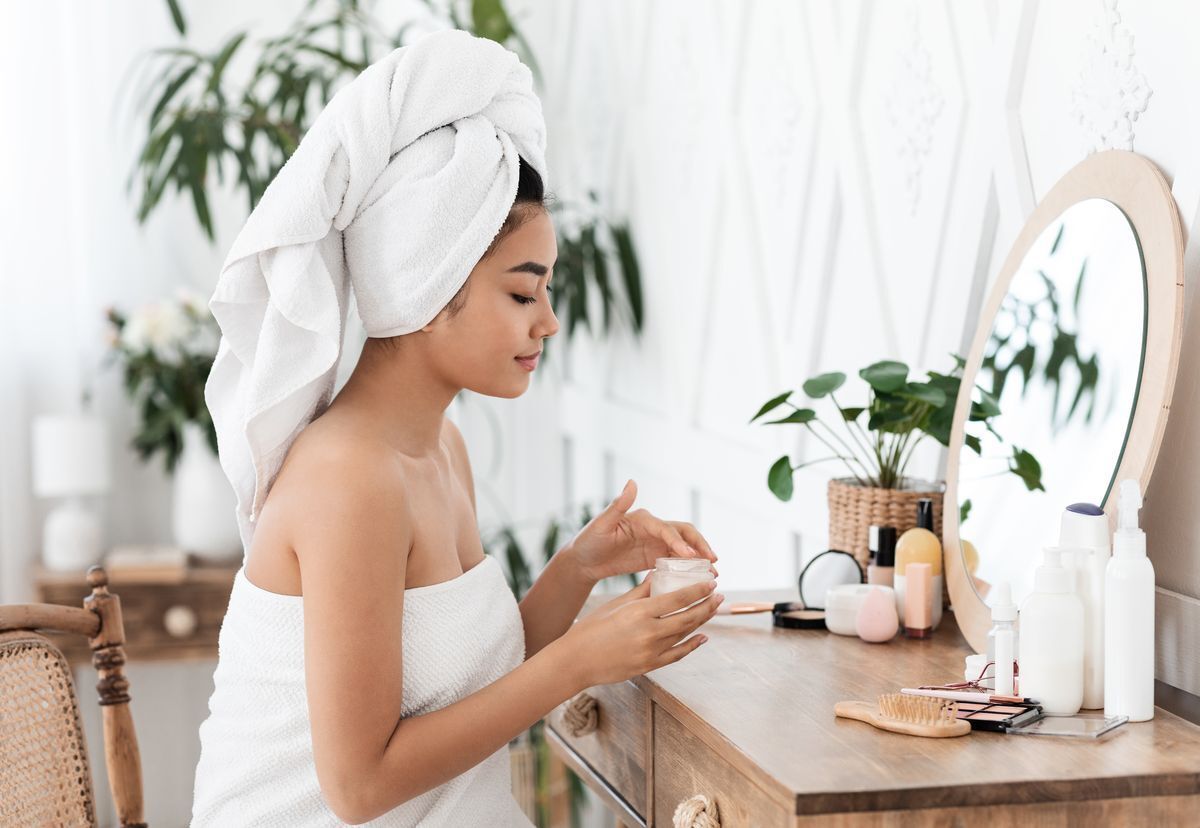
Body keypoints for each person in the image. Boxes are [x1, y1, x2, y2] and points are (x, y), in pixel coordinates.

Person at [190, 29, 721, 827]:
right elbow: (358, 787)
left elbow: (476, 676)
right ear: (429, 289)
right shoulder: (349, 480)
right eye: (522, 293)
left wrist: (578, 570)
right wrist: (581, 660)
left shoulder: (438, 447)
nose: (548, 322)